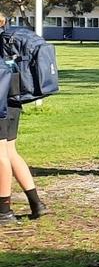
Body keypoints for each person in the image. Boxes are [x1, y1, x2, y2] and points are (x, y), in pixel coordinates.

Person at [0, 13, 46, 225]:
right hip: (12, 102)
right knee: (10, 152)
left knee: (1, 155)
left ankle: (4, 211)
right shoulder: (8, 42)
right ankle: (36, 204)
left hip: (1, 104)